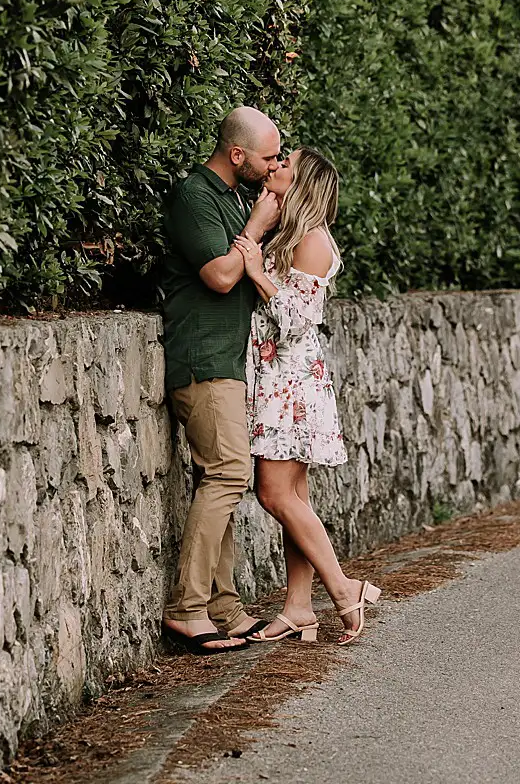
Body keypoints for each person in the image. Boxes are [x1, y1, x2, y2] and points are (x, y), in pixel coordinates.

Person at [232, 147, 381, 645]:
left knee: (274, 493)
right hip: (278, 378)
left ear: (303, 184)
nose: (273, 167)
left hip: (291, 383)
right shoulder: (288, 234)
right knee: (293, 497)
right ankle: (298, 608)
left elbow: (299, 321)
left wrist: (256, 271)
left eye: (284, 165)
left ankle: (344, 589)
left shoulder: (314, 242)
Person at [158, 106, 284, 654]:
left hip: (229, 360)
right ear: (238, 155)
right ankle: (187, 609)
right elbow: (219, 274)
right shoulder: (195, 196)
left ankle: (224, 607)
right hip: (202, 359)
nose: (273, 165)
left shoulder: (232, 196)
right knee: (229, 474)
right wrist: (255, 228)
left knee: (221, 478)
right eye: (268, 157)